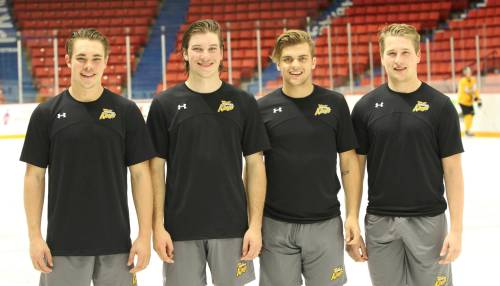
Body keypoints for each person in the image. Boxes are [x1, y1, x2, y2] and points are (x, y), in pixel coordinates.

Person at [20, 28, 155, 286]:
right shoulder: (46, 114)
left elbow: (141, 175)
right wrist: (35, 237)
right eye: (81, 58)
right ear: (68, 60)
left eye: (95, 58)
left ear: (106, 61)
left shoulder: (126, 112)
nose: (88, 66)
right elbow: (34, 177)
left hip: (117, 247)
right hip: (61, 247)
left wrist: (144, 235)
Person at [147, 19, 270, 286]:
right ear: (185, 53)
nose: (205, 56)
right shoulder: (164, 105)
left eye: (212, 48)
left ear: (222, 53)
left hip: (232, 229)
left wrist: (255, 226)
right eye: (198, 49)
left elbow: (255, 165)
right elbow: (155, 170)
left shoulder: (243, 102)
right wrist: (157, 227)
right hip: (180, 230)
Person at [351, 23, 464, 286]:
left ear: (418, 55)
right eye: (391, 53)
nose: (398, 60)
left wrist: (456, 230)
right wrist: (352, 219)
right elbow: (354, 169)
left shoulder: (441, 106)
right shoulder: (365, 107)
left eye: (405, 53)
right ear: (381, 57)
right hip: (380, 221)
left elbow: (453, 171)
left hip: (428, 221)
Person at [257, 30, 367, 286]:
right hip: (275, 225)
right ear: (278, 63)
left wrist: (352, 215)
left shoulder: (335, 103)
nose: (295, 65)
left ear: (313, 61)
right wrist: (252, 222)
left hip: (325, 224)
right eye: (288, 59)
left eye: (302, 58)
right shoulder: (261, 109)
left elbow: (349, 162)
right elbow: (253, 168)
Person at [458, 66, 482, 136]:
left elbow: (475, 90)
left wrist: (478, 100)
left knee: (471, 114)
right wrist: (475, 96)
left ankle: (462, 115)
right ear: (464, 73)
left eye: (469, 71)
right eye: (467, 71)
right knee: (468, 115)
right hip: (463, 101)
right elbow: (467, 90)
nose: (469, 72)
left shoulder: (473, 79)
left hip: (469, 102)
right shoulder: (462, 81)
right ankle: (467, 131)